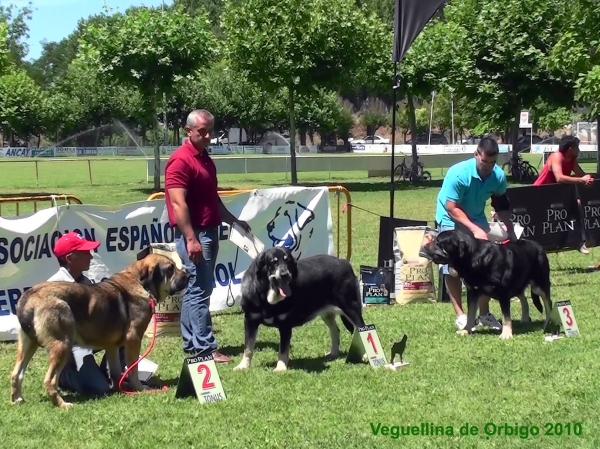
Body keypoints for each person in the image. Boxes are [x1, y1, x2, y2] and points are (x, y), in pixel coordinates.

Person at [165, 109, 251, 363]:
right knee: (200, 289)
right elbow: (178, 204)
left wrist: (233, 220)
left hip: (208, 231)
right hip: (197, 234)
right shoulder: (181, 160)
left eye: (210, 131)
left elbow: (211, 199)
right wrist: (190, 238)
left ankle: (194, 344)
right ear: (188, 130)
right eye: (202, 131)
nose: (207, 136)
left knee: (197, 288)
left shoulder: (204, 158)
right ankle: (205, 347)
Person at [435, 137, 517, 332]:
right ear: (476, 155)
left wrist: (510, 230)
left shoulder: (498, 176)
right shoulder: (458, 174)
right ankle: (461, 316)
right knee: (452, 267)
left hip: (476, 216)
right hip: (450, 218)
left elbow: (501, 204)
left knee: (485, 264)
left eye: (492, 162)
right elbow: (452, 208)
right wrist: (474, 230)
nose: (488, 166)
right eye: (484, 161)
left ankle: (484, 314)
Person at [48, 232, 121, 396]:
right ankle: (66, 377)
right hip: (72, 345)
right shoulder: (53, 287)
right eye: (85, 253)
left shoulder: (86, 282)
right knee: (98, 390)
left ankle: (110, 375)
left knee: (124, 335)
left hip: (90, 338)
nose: (91, 256)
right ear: (69, 259)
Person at [533, 134, 593, 254]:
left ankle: (579, 242)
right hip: (540, 193)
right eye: (577, 147)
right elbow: (559, 178)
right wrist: (582, 180)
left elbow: (581, 175)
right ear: (570, 148)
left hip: (557, 195)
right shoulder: (556, 156)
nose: (579, 150)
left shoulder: (572, 160)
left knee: (578, 206)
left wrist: (589, 179)